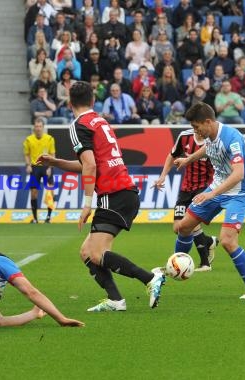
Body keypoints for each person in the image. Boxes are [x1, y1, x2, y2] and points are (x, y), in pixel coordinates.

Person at [37, 81, 166, 312]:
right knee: (87, 253)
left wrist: (86, 204)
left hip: (113, 194)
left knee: (96, 253)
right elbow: (91, 163)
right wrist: (57, 162)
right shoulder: (100, 121)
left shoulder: (78, 125)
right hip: (124, 193)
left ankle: (149, 278)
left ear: (69, 103)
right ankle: (116, 300)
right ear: (93, 101)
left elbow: (89, 165)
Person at [173, 102, 245, 299]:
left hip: (239, 193)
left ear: (208, 122)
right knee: (183, 226)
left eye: (196, 127)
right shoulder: (211, 136)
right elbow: (208, 149)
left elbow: (238, 174)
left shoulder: (232, 138)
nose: (195, 131)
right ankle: (174, 266)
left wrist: (211, 194)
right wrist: (188, 160)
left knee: (228, 241)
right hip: (217, 188)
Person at [153, 129, 217, 271]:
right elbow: (172, 155)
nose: (196, 128)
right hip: (186, 189)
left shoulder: (212, 141)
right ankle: (208, 241)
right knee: (178, 228)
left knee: (191, 223)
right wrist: (163, 176)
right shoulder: (184, 136)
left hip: (204, 189)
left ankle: (204, 263)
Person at [23, 118, 56, 224]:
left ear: (43, 127)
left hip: (46, 166)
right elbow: (27, 154)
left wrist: (50, 167)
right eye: (36, 126)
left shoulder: (49, 139)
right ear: (34, 128)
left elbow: (52, 154)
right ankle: (35, 218)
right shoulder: (28, 140)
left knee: (50, 192)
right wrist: (28, 165)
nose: (38, 128)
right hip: (35, 167)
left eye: (40, 126)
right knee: (33, 193)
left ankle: (48, 217)